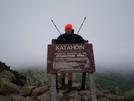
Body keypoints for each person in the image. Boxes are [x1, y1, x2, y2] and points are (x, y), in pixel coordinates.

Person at [56, 24, 85, 90]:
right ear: (65, 30)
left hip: (73, 57)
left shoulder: (77, 37)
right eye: (67, 29)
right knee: (63, 70)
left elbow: (82, 42)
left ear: (71, 30)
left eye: (69, 29)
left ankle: (69, 84)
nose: (68, 30)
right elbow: (57, 44)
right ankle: (63, 84)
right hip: (63, 57)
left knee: (70, 71)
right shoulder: (61, 37)